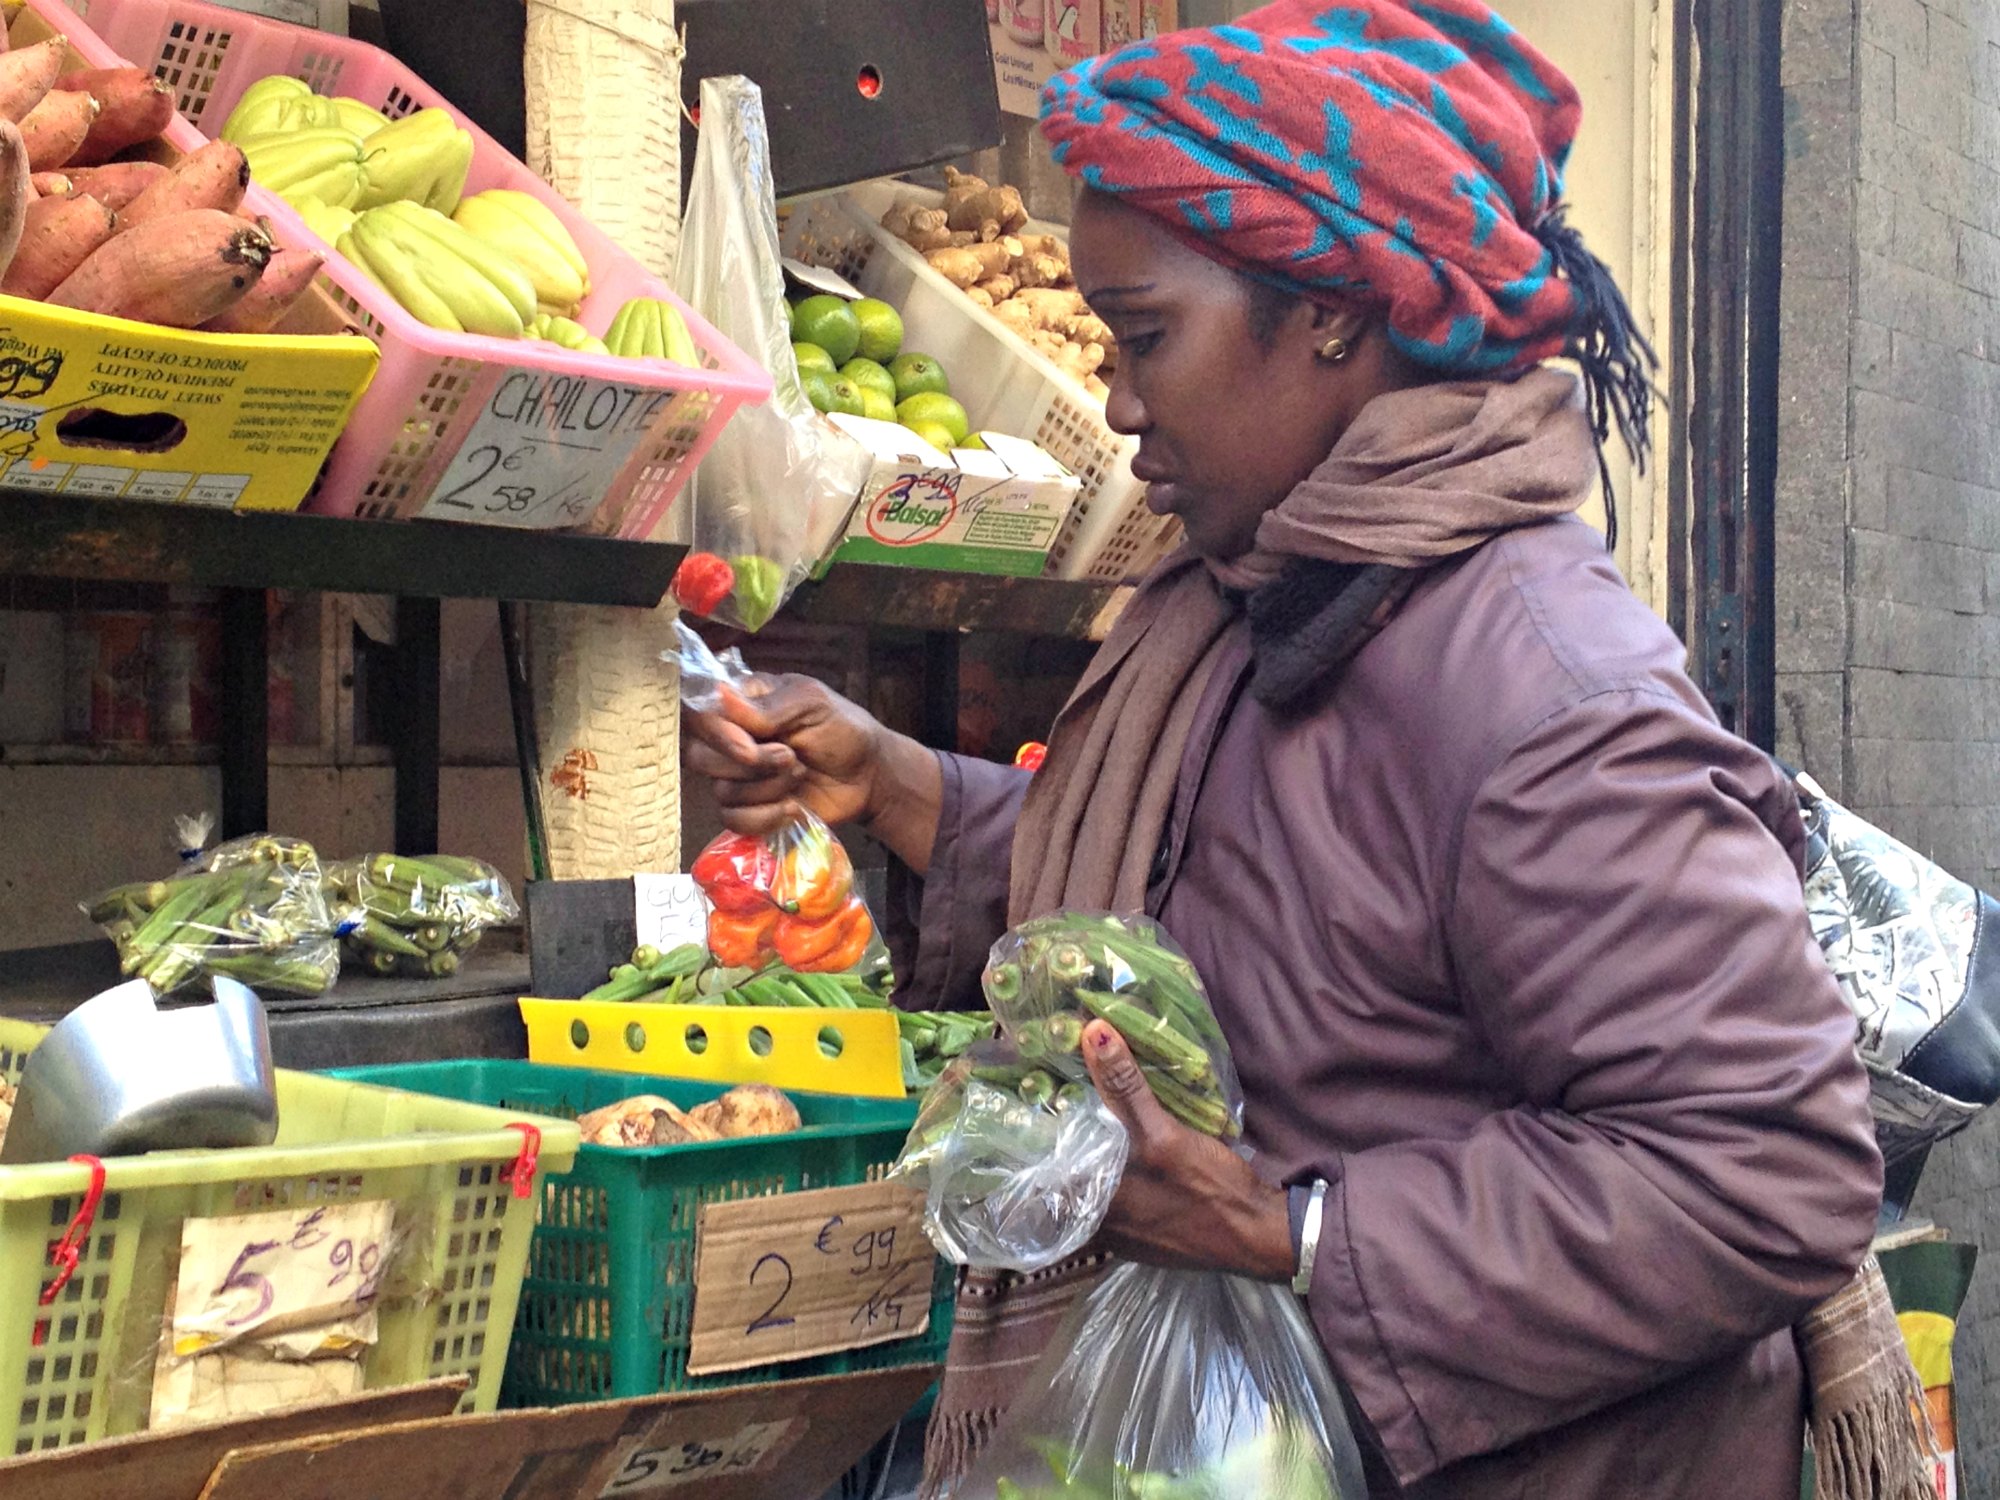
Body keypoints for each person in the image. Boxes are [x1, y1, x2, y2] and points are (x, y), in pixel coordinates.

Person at [685, 2, 1885, 1495]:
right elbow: (1219, 907)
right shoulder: (1274, 592)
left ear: (1330, 309)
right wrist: (903, 785)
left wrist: (1295, 1232)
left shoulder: (1533, 691)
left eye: (1148, 338)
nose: (1119, 407)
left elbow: (1770, 1167)